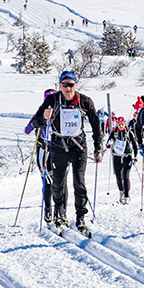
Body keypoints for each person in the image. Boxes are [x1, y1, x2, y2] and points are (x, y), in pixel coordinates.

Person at [29, 71, 102, 232]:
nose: (68, 88)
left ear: (76, 85)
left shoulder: (85, 101)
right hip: (59, 146)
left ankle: (80, 217)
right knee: (58, 182)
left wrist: (98, 148)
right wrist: (44, 117)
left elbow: (96, 124)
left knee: (79, 182)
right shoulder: (52, 100)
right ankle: (59, 213)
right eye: (64, 85)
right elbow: (35, 122)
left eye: (71, 85)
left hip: (79, 146)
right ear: (59, 86)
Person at [24, 89, 56, 221]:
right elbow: (27, 130)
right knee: (47, 182)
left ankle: (60, 211)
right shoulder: (40, 112)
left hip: (58, 151)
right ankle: (48, 210)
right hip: (43, 151)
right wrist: (37, 122)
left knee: (59, 182)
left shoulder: (61, 113)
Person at [107, 116, 138, 204]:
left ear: (125, 124)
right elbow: (107, 144)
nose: (120, 126)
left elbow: (135, 146)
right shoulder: (114, 132)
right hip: (116, 156)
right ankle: (121, 193)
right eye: (119, 124)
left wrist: (135, 157)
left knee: (125, 176)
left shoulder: (129, 132)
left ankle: (127, 195)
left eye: (122, 124)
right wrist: (109, 143)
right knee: (118, 176)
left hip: (127, 156)